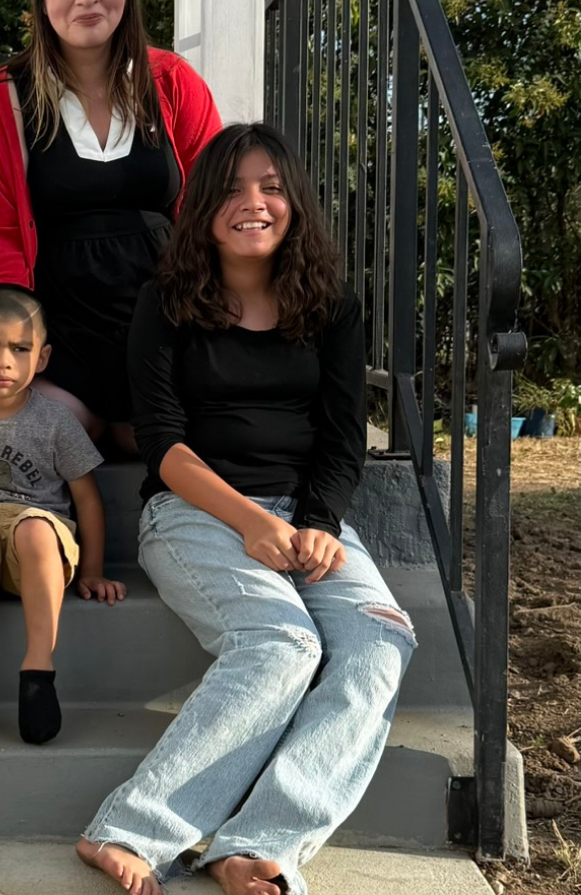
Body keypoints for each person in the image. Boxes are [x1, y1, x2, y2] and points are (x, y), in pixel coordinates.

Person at [75, 124, 417, 895]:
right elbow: (163, 444)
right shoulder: (164, 303)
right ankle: (128, 829)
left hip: (304, 516)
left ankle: (256, 844)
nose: (252, 203)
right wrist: (251, 522)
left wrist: (321, 525)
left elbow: (340, 439)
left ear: (293, 202)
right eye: (231, 189)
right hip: (195, 514)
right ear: (202, 206)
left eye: (269, 187)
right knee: (281, 645)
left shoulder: (329, 306)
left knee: (379, 643)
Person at [0, 0, 222, 453]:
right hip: (61, 339)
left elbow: (217, 209)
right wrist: (13, 355)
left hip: (165, 326)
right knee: (40, 444)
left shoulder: (173, 84)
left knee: (187, 445)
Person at [0, 285, 125, 746]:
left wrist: (92, 569)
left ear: (43, 357)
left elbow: (87, 499)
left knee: (35, 530)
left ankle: (38, 674)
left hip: (35, 548)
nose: (4, 361)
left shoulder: (55, 421)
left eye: (20, 348)